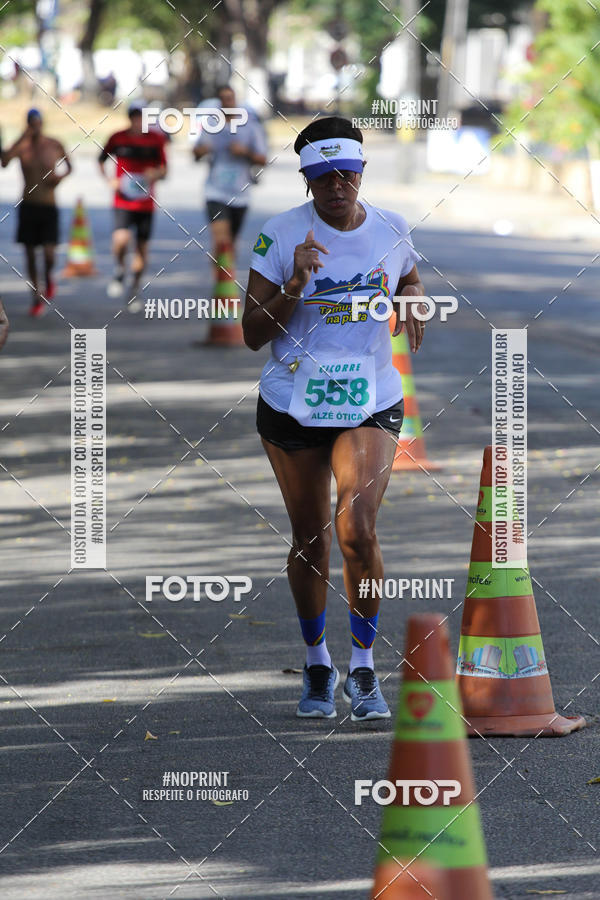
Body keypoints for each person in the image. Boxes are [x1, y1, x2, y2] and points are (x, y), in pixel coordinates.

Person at [243, 116, 427, 722]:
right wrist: (295, 280)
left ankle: (366, 666)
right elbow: (250, 334)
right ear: (306, 181)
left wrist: (414, 299)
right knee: (311, 540)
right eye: (323, 177)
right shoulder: (278, 235)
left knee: (358, 529)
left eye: (346, 173)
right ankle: (318, 661)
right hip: (294, 399)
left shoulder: (392, 228)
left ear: (361, 172)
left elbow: (407, 275)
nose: (337, 186)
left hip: (368, 397)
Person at [193, 85, 267, 310]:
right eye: (222, 99)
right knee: (221, 240)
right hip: (215, 191)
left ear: (235, 100)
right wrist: (202, 151)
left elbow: (263, 158)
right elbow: (195, 153)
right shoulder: (211, 126)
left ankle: (226, 280)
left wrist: (244, 152)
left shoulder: (250, 127)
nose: (226, 103)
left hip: (241, 193)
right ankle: (221, 283)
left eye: (230, 98)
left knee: (230, 244)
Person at [1, 108, 72, 317]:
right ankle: (36, 295)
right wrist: (22, 136)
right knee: (30, 254)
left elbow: (69, 166)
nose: (35, 126)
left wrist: (60, 177)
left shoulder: (53, 144)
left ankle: (49, 276)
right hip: (29, 205)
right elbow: (4, 161)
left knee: (49, 254)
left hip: (48, 205)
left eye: (37, 122)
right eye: (31, 123)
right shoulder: (22, 146)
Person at [98, 100, 167, 312]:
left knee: (141, 249)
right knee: (121, 239)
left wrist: (154, 173)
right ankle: (120, 268)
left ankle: (135, 287)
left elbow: (164, 169)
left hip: (145, 203)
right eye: (135, 116)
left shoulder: (156, 140)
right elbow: (101, 159)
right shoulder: (118, 138)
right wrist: (110, 180)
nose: (138, 121)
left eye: (141, 117)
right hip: (123, 199)